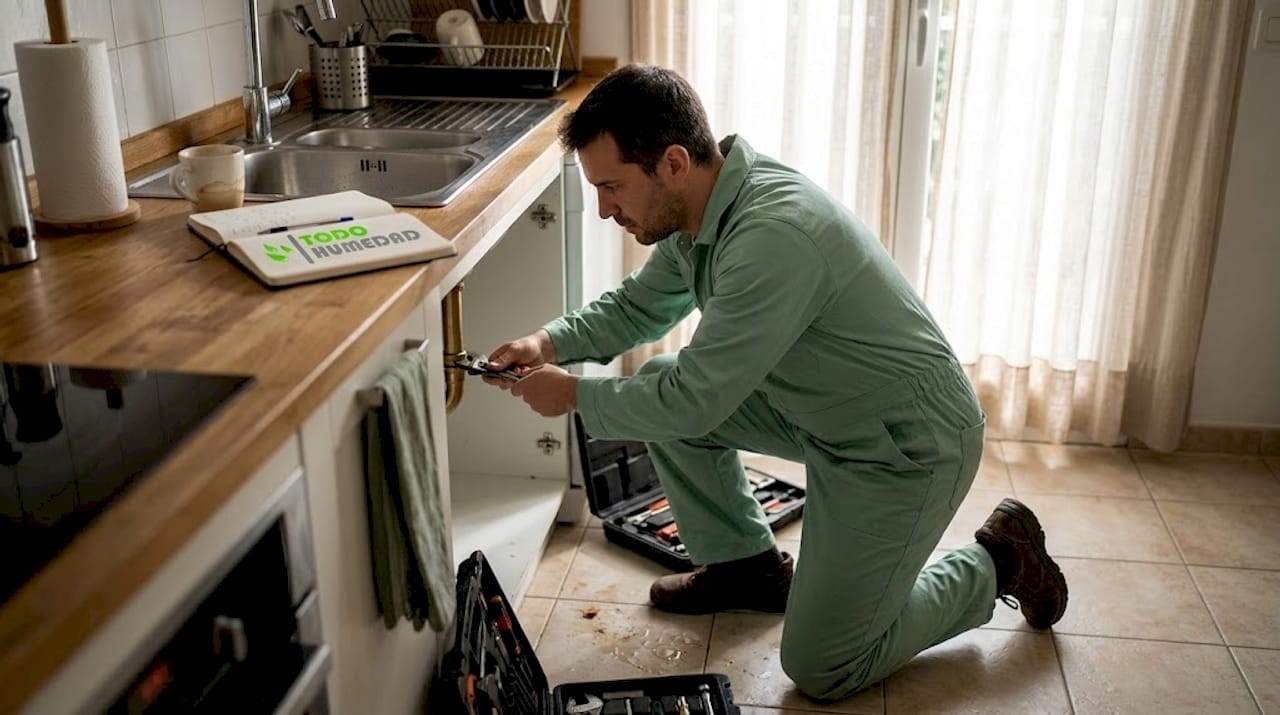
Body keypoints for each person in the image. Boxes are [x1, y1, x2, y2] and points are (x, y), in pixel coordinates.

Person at [483, 64, 1068, 700]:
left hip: (905, 444)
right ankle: (746, 571)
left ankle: (999, 559)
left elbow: (695, 400)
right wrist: (547, 342)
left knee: (824, 665)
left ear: (673, 164)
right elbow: (637, 308)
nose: (604, 210)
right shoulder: (704, 211)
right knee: (658, 377)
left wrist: (570, 395)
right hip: (825, 412)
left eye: (613, 187)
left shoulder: (773, 236)